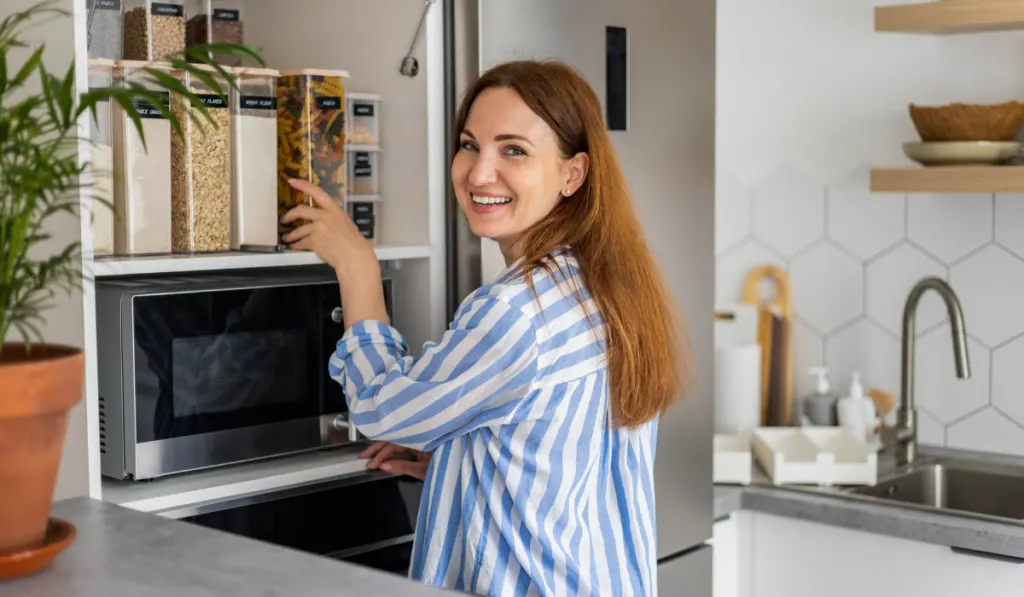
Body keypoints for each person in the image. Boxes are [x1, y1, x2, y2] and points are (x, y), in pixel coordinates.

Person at [280, 59, 691, 597]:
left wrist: (357, 267)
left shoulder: (516, 311)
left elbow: (382, 409)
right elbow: (568, 454)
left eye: (513, 150)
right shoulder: (607, 286)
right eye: (470, 144)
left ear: (573, 173)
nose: (478, 173)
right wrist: (467, 459)